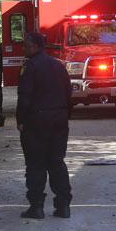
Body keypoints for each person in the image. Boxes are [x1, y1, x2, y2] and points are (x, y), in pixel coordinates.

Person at [16, 32, 73, 219]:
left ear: (34, 46)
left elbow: (25, 97)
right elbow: (68, 93)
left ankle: (37, 206)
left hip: (36, 121)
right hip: (59, 118)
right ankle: (63, 205)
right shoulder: (58, 65)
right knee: (57, 161)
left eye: (25, 45)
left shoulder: (30, 67)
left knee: (35, 164)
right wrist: (65, 115)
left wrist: (21, 120)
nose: (23, 48)